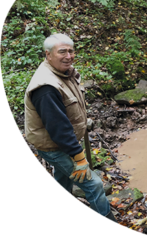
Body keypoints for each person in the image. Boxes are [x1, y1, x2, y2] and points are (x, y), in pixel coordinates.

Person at [24, 33, 118, 224]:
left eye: (71, 51)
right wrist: (79, 157)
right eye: (62, 52)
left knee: (64, 179)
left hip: (63, 142)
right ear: (48, 54)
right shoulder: (46, 87)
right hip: (54, 145)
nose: (68, 56)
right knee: (93, 185)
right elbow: (58, 128)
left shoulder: (65, 72)